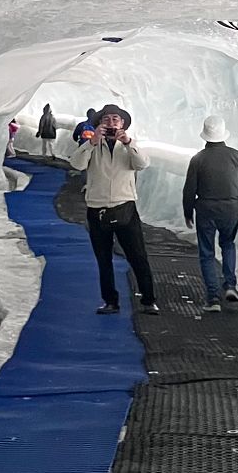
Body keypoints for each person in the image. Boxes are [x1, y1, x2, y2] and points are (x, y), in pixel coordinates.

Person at [70, 102, 160, 317]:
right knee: (104, 259)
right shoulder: (93, 145)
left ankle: (149, 300)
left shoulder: (129, 146)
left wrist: (128, 143)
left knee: (138, 256)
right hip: (97, 208)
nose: (111, 123)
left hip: (124, 207)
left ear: (123, 124)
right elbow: (77, 164)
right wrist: (91, 142)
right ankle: (110, 301)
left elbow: (142, 164)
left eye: (115, 120)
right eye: (106, 119)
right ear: (99, 124)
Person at [182, 114, 238, 312]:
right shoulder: (236, 156)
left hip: (205, 208)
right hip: (230, 207)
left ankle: (212, 298)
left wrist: (188, 212)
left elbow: (189, 189)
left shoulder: (198, 159)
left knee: (206, 252)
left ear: (204, 136)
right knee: (228, 245)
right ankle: (230, 285)